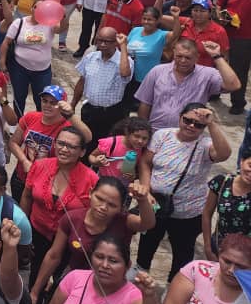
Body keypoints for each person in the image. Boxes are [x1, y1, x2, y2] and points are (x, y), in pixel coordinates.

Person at [136, 103, 231, 280]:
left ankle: (175, 284)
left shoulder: (205, 145)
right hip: (155, 204)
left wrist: (212, 124)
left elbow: (224, 154)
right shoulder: (162, 135)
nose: (191, 126)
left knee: (183, 250)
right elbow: (145, 163)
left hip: (188, 211)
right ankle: (139, 273)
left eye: (198, 124)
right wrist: (146, 190)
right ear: (180, 117)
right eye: (187, 120)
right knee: (147, 241)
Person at [29, 177, 155, 304]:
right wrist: (35, 291)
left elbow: (148, 223)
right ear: (90, 193)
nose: (103, 207)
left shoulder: (124, 222)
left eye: (112, 205)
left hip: (109, 286)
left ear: (121, 208)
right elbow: (54, 256)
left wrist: (142, 199)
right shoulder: (72, 218)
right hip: (75, 283)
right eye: (99, 199)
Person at [20, 126, 97, 285]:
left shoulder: (91, 179)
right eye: (60, 143)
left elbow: (93, 214)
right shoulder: (41, 165)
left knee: (62, 282)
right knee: (32, 277)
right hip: (36, 233)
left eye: (71, 146)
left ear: (82, 152)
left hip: (69, 242)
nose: (64, 149)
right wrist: (23, 227)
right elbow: (27, 196)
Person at [8, 85, 92, 201]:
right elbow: (13, 143)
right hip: (21, 176)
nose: (47, 105)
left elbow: (87, 137)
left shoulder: (66, 126)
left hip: (46, 182)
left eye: (53, 103)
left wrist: (71, 115)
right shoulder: (30, 117)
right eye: (45, 101)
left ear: (61, 105)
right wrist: (24, 161)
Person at [136, 38, 238, 131]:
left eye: (188, 58)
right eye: (179, 56)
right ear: (174, 53)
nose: (183, 61)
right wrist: (143, 130)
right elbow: (145, 103)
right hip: (156, 132)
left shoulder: (207, 75)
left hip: (189, 134)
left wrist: (217, 56)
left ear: (197, 57)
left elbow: (233, 85)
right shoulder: (157, 71)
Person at [0, 0, 66, 116]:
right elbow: (6, 43)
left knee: (42, 100)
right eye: (36, 7)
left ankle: (41, 123)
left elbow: (62, 29)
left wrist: (64, 17)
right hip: (20, 68)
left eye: (42, 8)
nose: (38, 10)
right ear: (31, 8)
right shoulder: (19, 23)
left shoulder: (49, 24)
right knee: (19, 97)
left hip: (42, 70)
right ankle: (18, 123)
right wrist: (3, 64)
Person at [70, 28, 134, 146]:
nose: (103, 44)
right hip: (90, 110)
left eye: (107, 41)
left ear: (115, 42)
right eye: (100, 40)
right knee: (86, 142)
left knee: (108, 146)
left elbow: (125, 73)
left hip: (112, 113)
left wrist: (123, 46)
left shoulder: (125, 60)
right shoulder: (91, 57)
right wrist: (73, 104)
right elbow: (81, 81)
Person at [215, 0, 251, 116]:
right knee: (217, 63)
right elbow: (218, 5)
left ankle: (237, 102)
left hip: (244, 38)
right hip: (224, 32)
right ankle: (214, 91)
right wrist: (221, 17)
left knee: (239, 70)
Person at [202, 153, 251, 263]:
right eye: (250, 165)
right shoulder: (222, 182)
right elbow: (206, 214)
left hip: (246, 255)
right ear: (242, 161)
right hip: (219, 247)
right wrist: (208, 247)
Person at [89, 117, 153, 189]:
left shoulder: (141, 150)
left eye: (144, 138)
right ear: (127, 133)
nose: (140, 141)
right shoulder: (111, 143)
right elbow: (92, 156)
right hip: (103, 183)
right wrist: (96, 161)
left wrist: (132, 176)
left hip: (123, 187)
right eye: (136, 136)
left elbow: (134, 172)